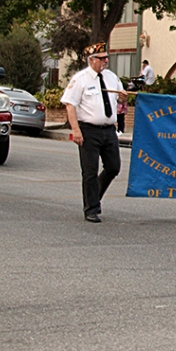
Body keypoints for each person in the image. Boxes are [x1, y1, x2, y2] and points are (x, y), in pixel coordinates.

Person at [61, 42, 126, 223]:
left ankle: (94, 194)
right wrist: (76, 130)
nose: (105, 61)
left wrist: (122, 98)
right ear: (91, 60)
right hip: (89, 130)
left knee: (113, 167)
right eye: (101, 58)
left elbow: (118, 99)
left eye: (106, 58)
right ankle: (91, 208)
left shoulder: (112, 78)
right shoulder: (80, 79)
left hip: (108, 129)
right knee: (90, 170)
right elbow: (70, 105)